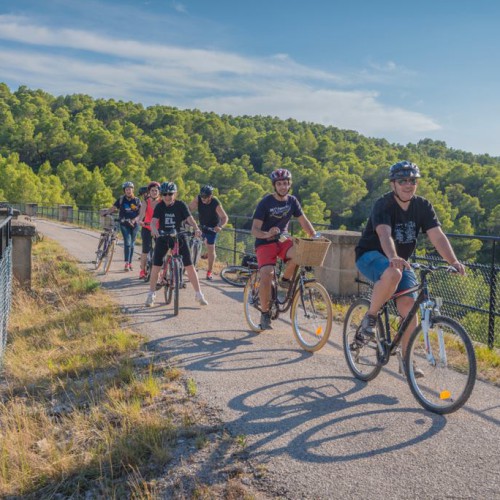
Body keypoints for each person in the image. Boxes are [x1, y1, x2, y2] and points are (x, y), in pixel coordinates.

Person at [354, 161, 465, 372]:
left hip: (399, 262)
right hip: (370, 255)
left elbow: (437, 236)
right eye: (402, 180)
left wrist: (453, 261)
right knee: (393, 272)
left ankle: (406, 361)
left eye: (413, 180)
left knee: (409, 308)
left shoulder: (422, 206)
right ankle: (370, 317)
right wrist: (393, 255)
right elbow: (384, 234)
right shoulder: (383, 204)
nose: (408, 185)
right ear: (392, 184)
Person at [251, 168, 317, 330]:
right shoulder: (266, 202)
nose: (282, 187)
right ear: (274, 186)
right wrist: (267, 234)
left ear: (289, 185)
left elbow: (304, 221)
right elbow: (254, 230)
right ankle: (265, 313)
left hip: (282, 240)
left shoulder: (292, 201)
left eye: (285, 184)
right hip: (265, 242)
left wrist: (315, 235)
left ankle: (285, 280)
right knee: (267, 274)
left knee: (300, 254)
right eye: (279, 184)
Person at [145, 182, 208, 307]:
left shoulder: (181, 205)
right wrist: (155, 231)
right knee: (156, 265)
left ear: (175, 194)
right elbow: (153, 222)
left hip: (179, 235)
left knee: (189, 265)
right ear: (161, 195)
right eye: (165, 194)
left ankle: (199, 294)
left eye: (170, 194)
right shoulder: (159, 206)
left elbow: (190, 219)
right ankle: (151, 294)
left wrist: (196, 228)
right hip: (163, 236)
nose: (167, 197)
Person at [188, 184, 228, 280]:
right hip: (201, 225)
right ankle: (191, 264)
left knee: (211, 249)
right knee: (191, 242)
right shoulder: (198, 199)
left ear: (211, 196)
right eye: (202, 196)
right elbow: (188, 209)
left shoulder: (215, 202)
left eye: (205, 197)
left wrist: (220, 226)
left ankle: (209, 271)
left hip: (212, 228)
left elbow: (225, 217)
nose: (203, 199)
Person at [105, 181, 141, 271]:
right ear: (124, 190)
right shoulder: (121, 199)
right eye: (127, 189)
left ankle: (130, 263)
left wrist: (135, 220)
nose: (128, 191)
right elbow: (114, 208)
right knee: (127, 243)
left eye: (130, 189)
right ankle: (126, 263)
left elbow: (141, 213)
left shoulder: (137, 200)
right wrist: (106, 212)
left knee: (132, 244)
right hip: (124, 223)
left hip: (134, 225)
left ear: (133, 190)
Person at [137, 181, 161, 279]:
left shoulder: (162, 202)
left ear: (159, 192)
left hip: (158, 229)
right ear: (149, 192)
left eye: (156, 190)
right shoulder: (146, 201)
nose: (154, 192)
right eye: (152, 190)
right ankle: (142, 270)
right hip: (147, 227)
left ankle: (158, 272)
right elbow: (142, 213)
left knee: (160, 250)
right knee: (145, 250)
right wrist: (140, 220)